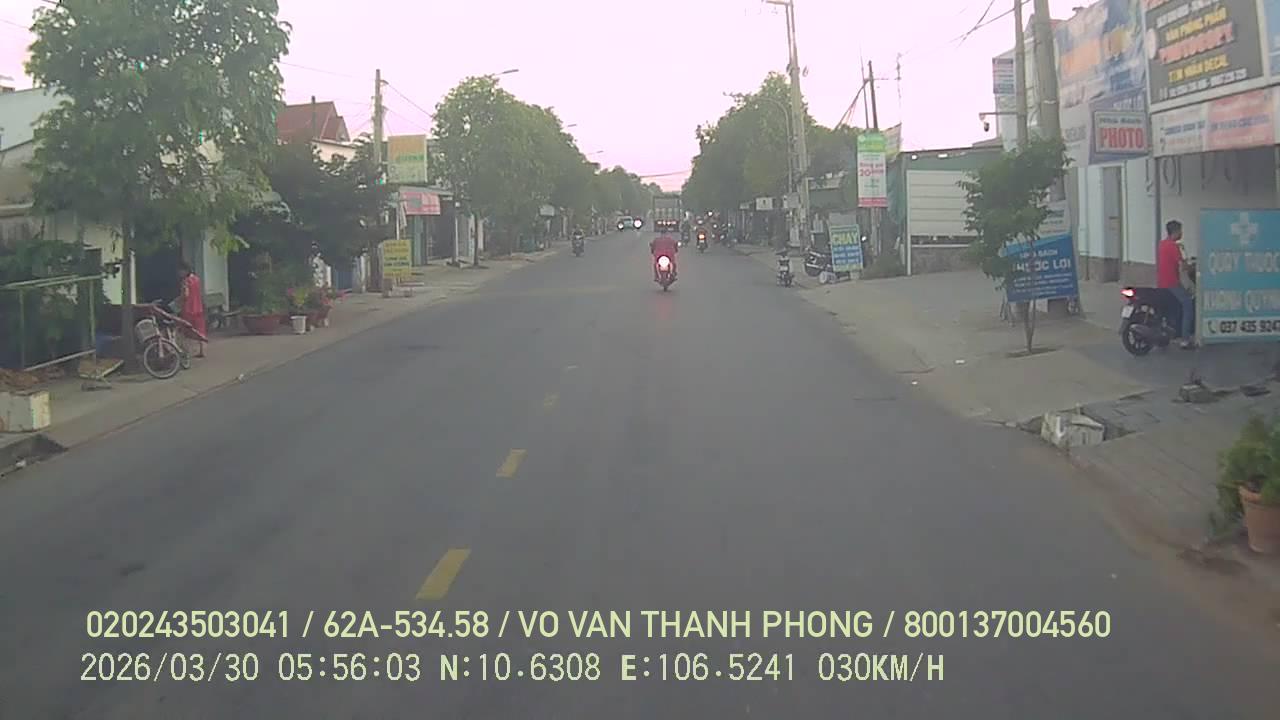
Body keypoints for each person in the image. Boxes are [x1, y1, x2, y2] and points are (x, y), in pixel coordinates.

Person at [1157, 219, 1194, 349]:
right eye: (1180, 231)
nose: (1182, 233)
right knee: (1188, 304)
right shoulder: (1173, 246)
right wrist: (1191, 266)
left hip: (1162, 282)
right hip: (1172, 282)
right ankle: (1185, 339)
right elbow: (1182, 266)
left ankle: (1175, 330)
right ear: (1176, 231)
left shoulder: (1162, 244)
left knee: (1176, 306)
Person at [177, 261, 206, 358]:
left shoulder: (185, 281)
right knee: (199, 330)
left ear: (185, 270)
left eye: (180, 271)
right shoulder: (197, 279)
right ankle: (201, 350)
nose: (179, 273)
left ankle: (187, 352)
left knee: (186, 331)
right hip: (198, 308)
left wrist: (179, 300)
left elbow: (186, 294)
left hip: (188, 309)